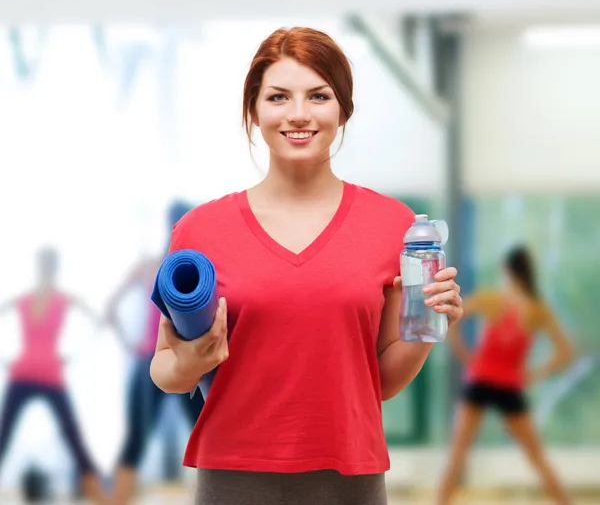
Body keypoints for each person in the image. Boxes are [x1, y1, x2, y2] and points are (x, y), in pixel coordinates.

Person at [149, 26, 464, 505]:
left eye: (318, 96)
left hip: (349, 479)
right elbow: (165, 369)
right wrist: (191, 362)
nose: (298, 115)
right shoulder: (200, 230)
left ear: (343, 109)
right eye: (278, 97)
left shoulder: (393, 225)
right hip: (233, 477)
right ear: (254, 111)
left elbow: (379, 384)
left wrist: (427, 326)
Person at [437, 245, 575, 505]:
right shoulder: (538, 309)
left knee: (457, 455)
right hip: (509, 386)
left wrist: (467, 357)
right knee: (537, 458)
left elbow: (451, 319)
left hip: (480, 380)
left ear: (507, 270)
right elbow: (565, 352)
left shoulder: (493, 299)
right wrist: (535, 373)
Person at [107, 201, 205, 505]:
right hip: (155, 360)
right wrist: (130, 345)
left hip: (185, 361)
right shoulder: (160, 266)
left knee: (204, 438)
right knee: (142, 440)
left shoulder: (195, 266)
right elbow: (111, 308)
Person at [0, 247, 106, 505]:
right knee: (5, 435)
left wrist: (72, 355)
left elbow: (98, 320)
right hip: (24, 372)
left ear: (53, 267)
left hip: (48, 374)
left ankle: (98, 494)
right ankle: (98, 492)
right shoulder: (25, 298)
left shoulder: (61, 298)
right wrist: (5, 359)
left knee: (72, 436)